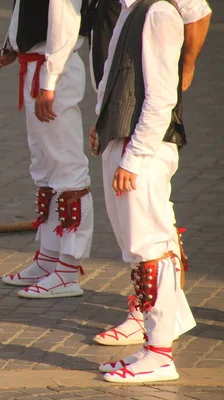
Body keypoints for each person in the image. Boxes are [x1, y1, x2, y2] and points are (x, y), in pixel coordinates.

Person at [88, 0, 211, 347]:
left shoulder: (158, 13)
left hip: (142, 145)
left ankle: (158, 349)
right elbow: (112, 69)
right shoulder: (131, 10)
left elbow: (159, 99)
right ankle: (160, 329)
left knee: (150, 245)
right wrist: (101, 120)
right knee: (138, 244)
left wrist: (135, 156)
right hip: (124, 137)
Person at [0, 0, 94, 299]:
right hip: (34, 64)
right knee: (45, 168)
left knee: (67, 170)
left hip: (53, 69)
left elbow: (64, 24)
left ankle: (68, 269)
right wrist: (10, 47)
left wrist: (49, 82)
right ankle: (50, 255)